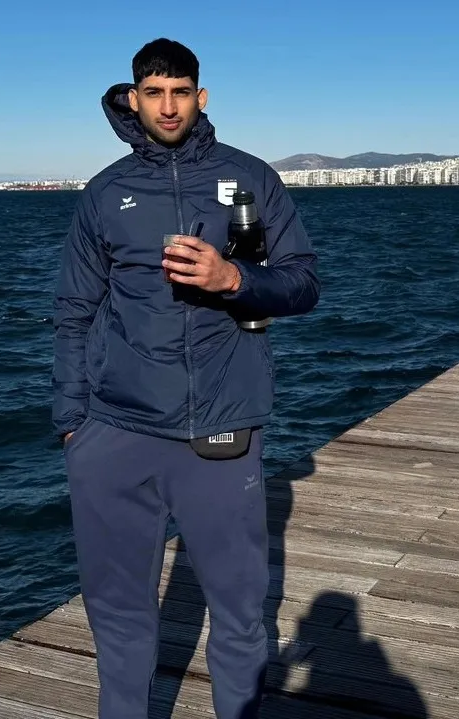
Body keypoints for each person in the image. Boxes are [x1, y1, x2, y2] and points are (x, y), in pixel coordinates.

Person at [51, 37, 320, 719]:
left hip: (220, 431)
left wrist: (235, 278)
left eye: (181, 92)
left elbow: (304, 283)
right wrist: (72, 423)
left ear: (200, 98)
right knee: (117, 619)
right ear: (133, 98)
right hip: (114, 433)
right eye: (154, 93)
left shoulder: (251, 179)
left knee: (237, 613)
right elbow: (74, 311)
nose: (168, 106)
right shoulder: (104, 194)